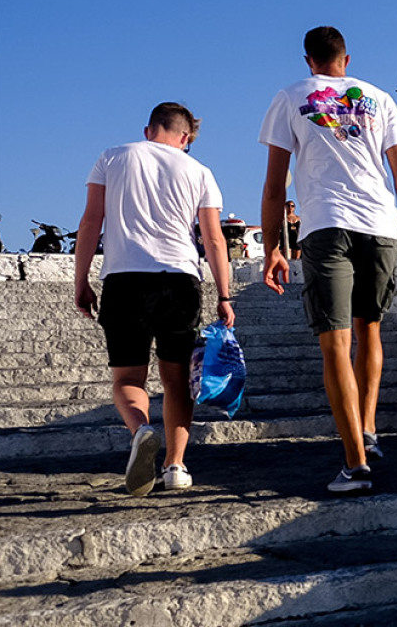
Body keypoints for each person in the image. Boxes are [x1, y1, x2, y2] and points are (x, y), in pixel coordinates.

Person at [259, 26, 397, 494]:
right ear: (345, 60)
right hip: (380, 225)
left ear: (308, 60)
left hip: (326, 224)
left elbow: (275, 185)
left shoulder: (290, 97)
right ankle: (367, 431)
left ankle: (355, 464)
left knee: (335, 341)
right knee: (369, 328)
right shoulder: (379, 99)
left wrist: (275, 246)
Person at [74, 102, 235, 497]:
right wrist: (225, 296)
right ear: (185, 137)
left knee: (128, 378)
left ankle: (141, 430)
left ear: (149, 130)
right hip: (180, 281)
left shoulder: (112, 157)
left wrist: (81, 281)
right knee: (176, 380)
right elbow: (213, 239)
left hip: (124, 279)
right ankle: (176, 466)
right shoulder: (199, 171)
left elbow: (91, 222)